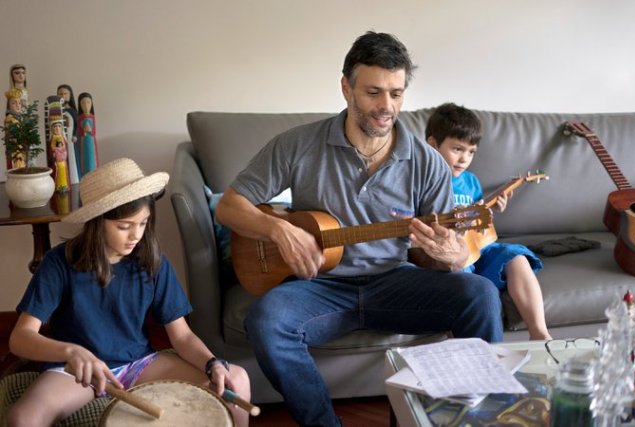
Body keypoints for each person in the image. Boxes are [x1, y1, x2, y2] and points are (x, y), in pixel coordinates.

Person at [215, 31, 502, 426]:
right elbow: (229, 206)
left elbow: (425, 256)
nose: (387, 106)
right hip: (319, 286)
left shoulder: (428, 163)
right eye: (373, 92)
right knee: (266, 320)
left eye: (397, 94)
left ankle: (471, 418)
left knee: (481, 294)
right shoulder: (297, 144)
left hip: (394, 280)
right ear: (346, 88)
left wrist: (448, 257)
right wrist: (277, 230)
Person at [7, 158, 250, 427]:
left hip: (140, 364)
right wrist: (71, 352)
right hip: (79, 372)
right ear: (98, 222)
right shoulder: (58, 263)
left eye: (143, 223)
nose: (136, 235)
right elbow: (20, 339)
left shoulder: (152, 260)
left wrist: (211, 363)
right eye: (124, 226)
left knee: (235, 380)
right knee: (22, 418)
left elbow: (181, 336)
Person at [426, 102, 552, 340]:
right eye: (457, 149)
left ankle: (540, 333)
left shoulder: (471, 181)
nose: (464, 159)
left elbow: (479, 225)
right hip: (451, 257)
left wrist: (490, 211)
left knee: (517, 257)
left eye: (471, 152)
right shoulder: (425, 180)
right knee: (462, 277)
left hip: (478, 249)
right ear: (433, 144)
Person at [77, 92, 98, 177]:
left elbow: (94, 130)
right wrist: (83, 131)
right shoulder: (80, 118)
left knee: (92, 158)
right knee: (84, 158)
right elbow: (78, 129)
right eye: (83, 102)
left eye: (88, 102)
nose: (86, 105)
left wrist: (90, 130)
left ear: (91, 103)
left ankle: (94, 172)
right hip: (83, 140)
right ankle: (85, 174)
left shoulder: (92, 116)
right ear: (80, 105)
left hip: (91, 140)